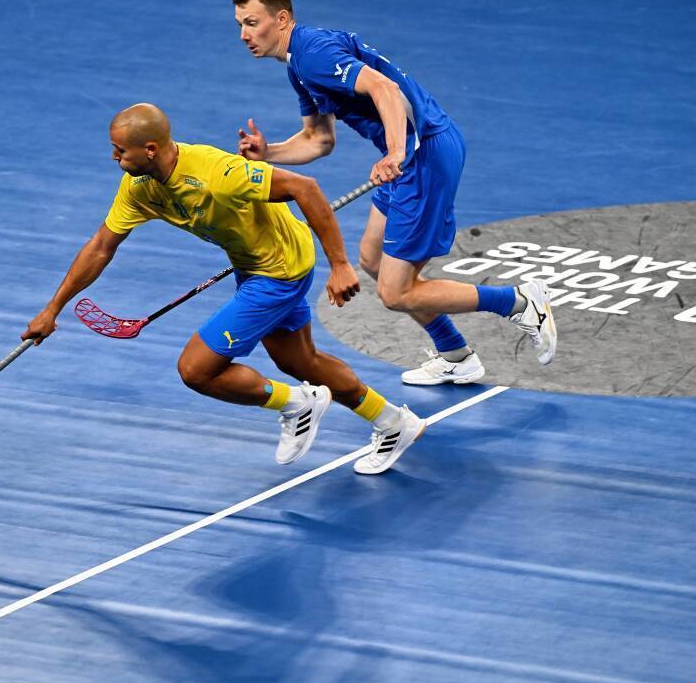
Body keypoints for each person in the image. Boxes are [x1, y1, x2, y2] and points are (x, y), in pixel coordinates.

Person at [23, 103, 427, 474]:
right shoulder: (140, 187)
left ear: (150, 149)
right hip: (257, 265)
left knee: (196, 370)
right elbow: (101, 246)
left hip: (277, 272)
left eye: (120, 151)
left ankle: (297, 403)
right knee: (301, 362)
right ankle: (394, 422)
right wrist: (52, 308)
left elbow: (305, 188)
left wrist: (339, 265)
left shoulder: (216, 173)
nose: (114, 158)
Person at [231, 0, 557, 386]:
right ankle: (455, 354)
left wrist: (396, 152)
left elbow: (383, 88)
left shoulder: (312, 54)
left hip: (423, 154)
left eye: (252, 23)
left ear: (281, 19)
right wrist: (270, 152)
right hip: (411, 153)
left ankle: (519, 302)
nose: (244, 35)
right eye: (240, 25)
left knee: (396, 292)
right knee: (372, 259)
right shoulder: (299, 64)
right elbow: (319, 139)